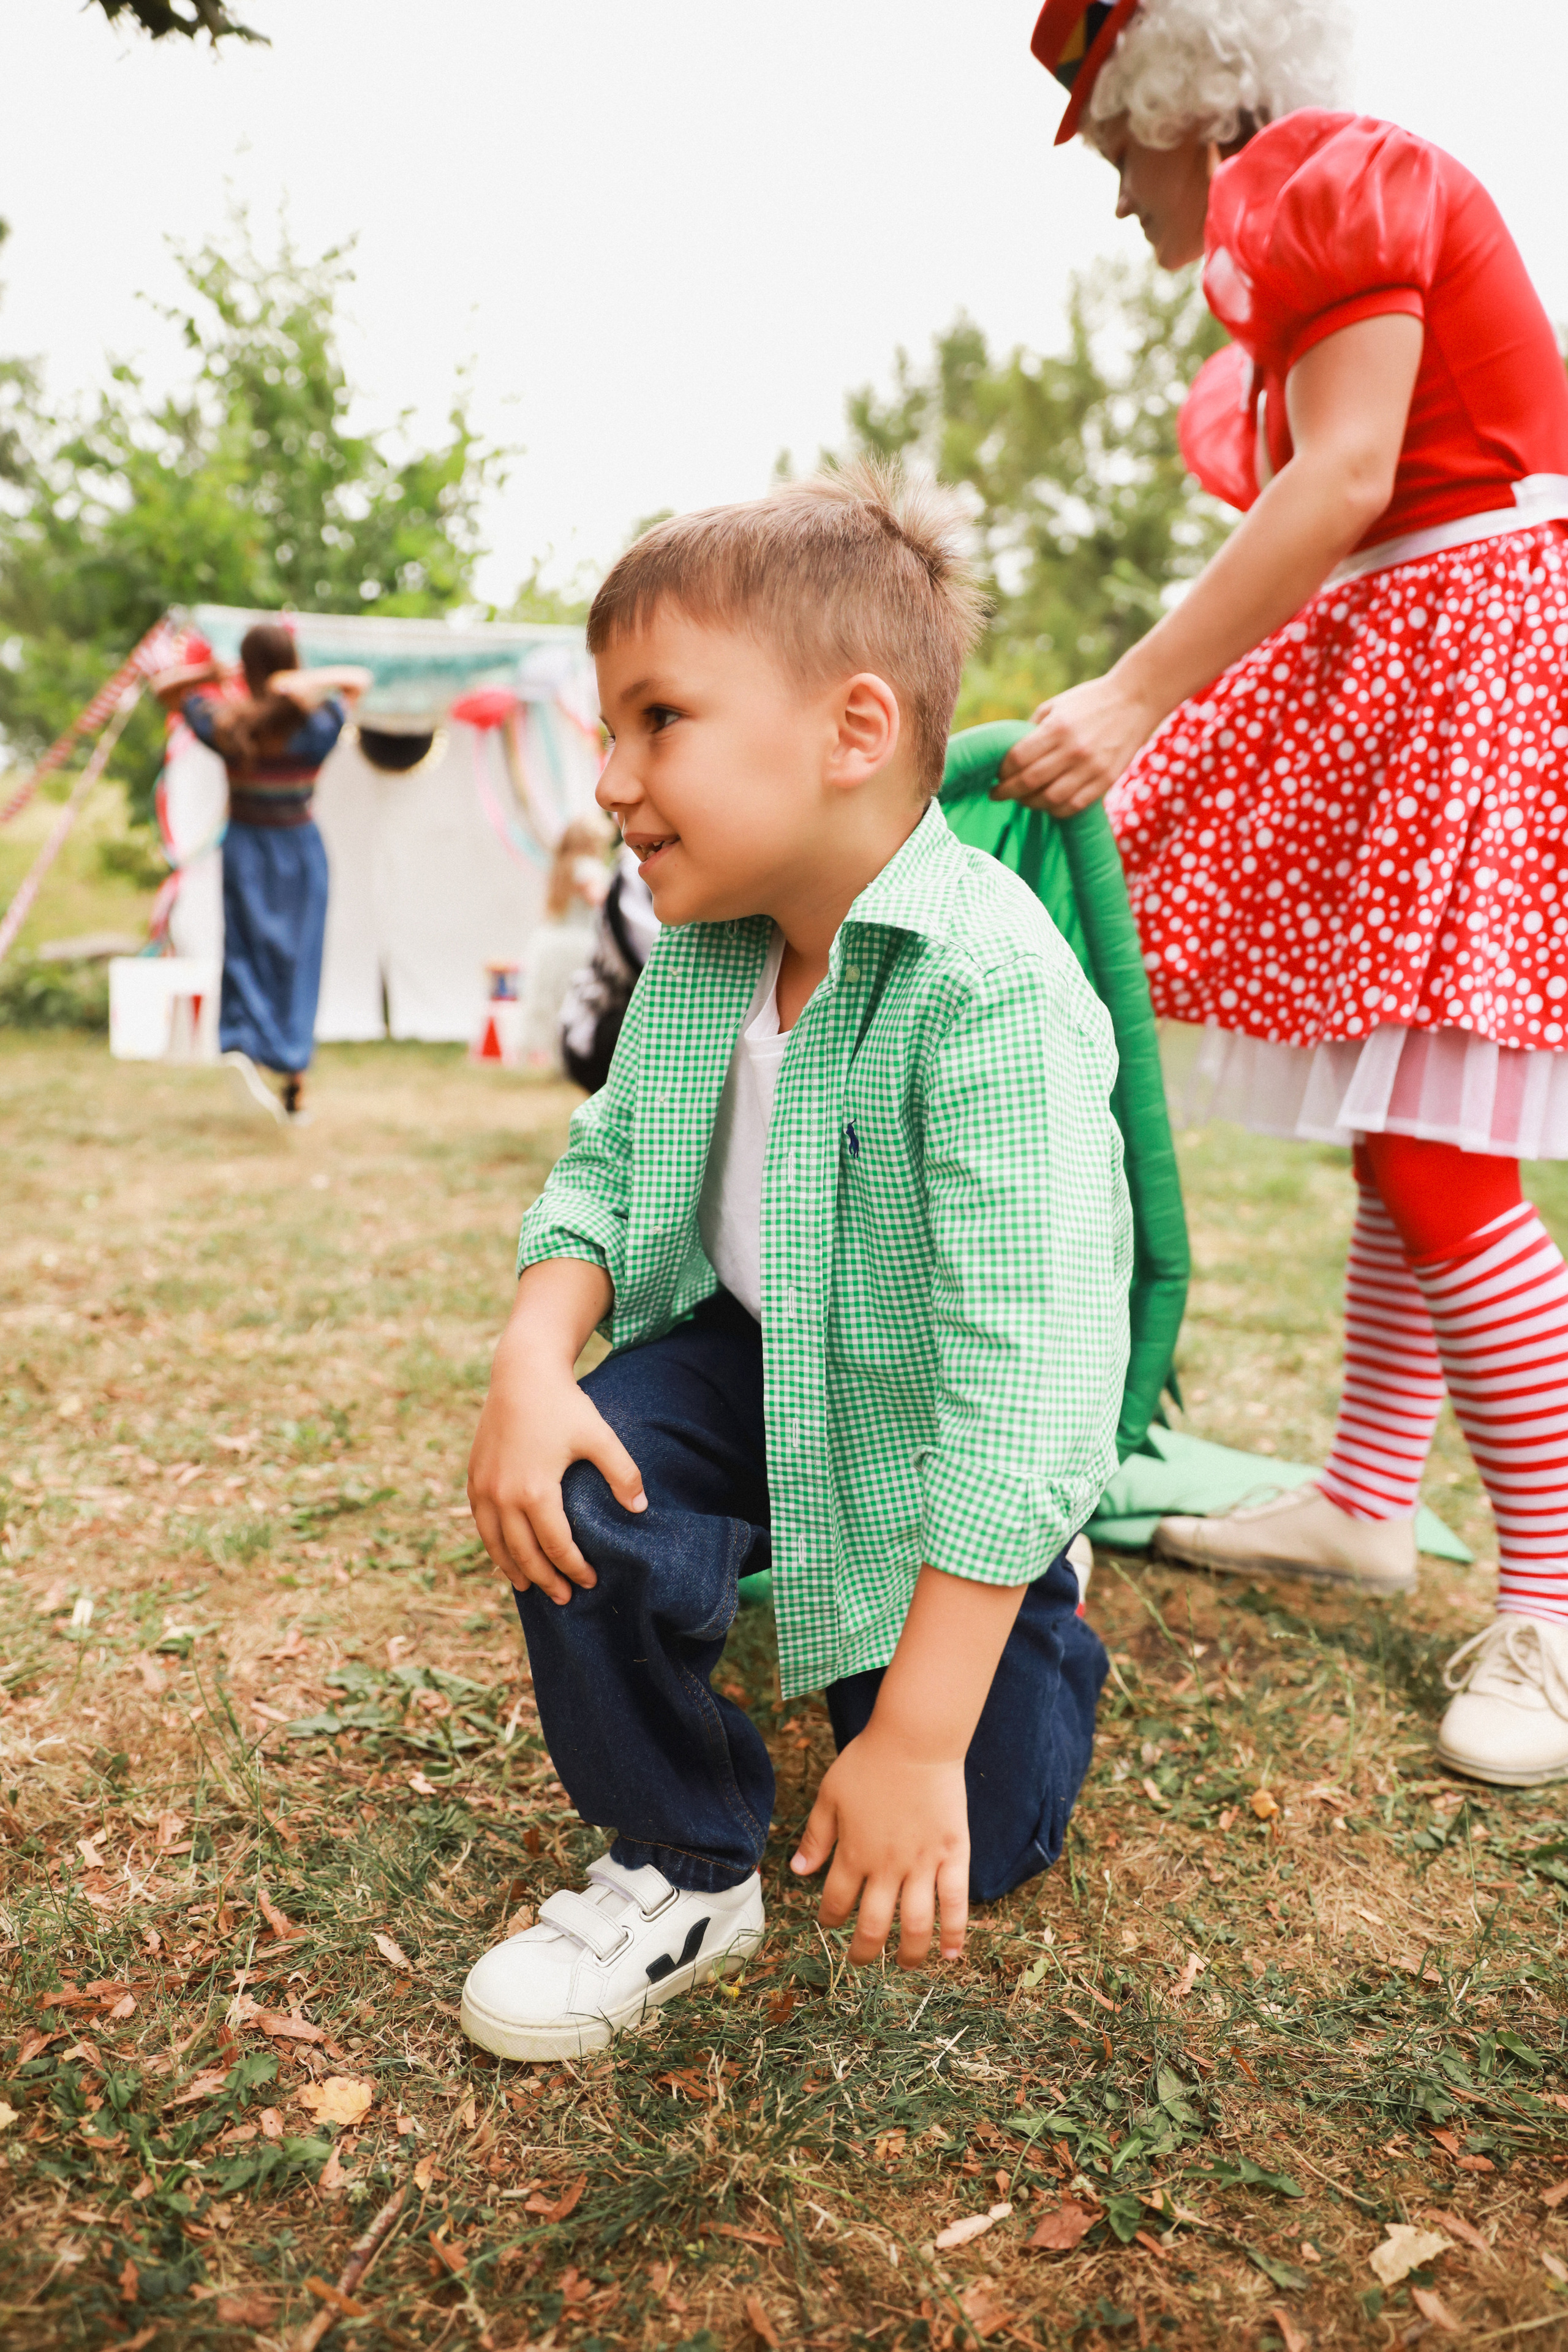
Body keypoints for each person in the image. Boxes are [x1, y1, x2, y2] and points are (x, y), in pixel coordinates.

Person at [459, 462, 1131, 2060]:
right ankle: (683, 1858)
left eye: (657, 720)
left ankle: (1024, 1578)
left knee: (973, 1816)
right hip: (762, 1362)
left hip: (939, 1425)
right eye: (607, 731)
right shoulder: (707, 952)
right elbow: (614, 1169)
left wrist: (912, 1732)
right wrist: (532, 1359)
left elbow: (1028, 1384)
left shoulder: (993, 997)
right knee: (578, 1486)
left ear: (854, 730)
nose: (613, 781)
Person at [1009, 0, 1568, 1785]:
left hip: (1469, 653)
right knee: (1398, 1124)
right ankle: (1360, 1498)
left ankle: (1556, 1603)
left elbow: (1342, 482)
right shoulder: (1287, 248)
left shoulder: (1318, 178)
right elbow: (1327, 491)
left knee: (1431, 1150)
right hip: (1418, 653)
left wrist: (1132, 693)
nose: (1116, 198)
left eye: (1112, 146)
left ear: (1190, 96)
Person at [153, 625, 370, 1124]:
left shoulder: (230, 724)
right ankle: (295, 1082)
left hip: (248, 846)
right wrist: (300, 681)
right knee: (299, 962)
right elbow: (357, 682)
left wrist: (208, 671)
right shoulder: (316, 726)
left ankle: (243, 1049)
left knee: (246, 952)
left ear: (246, 669)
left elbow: (165, 690)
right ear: (291, 661)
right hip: (300, 849)